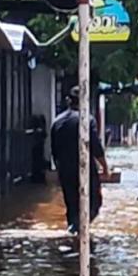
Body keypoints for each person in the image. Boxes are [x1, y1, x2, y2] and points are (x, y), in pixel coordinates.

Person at [50, 86, 108, 233]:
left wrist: (59, 170)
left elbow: (54, 151)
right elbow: (96, 147)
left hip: (65, 171)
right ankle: (78, 228)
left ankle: (74, 232)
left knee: (72, 205)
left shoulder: (57, 122)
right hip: (85, 170)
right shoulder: (87, 120)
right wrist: (105, 168)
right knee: (94, 202)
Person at [27, 114, 48, 183]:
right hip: (38, 146)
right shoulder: (40, 130)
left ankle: (36, 176)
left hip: (35, 147)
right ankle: (39, 176)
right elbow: (45, 135)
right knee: (38, 161)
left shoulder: (36, 131)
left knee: (36, 162)